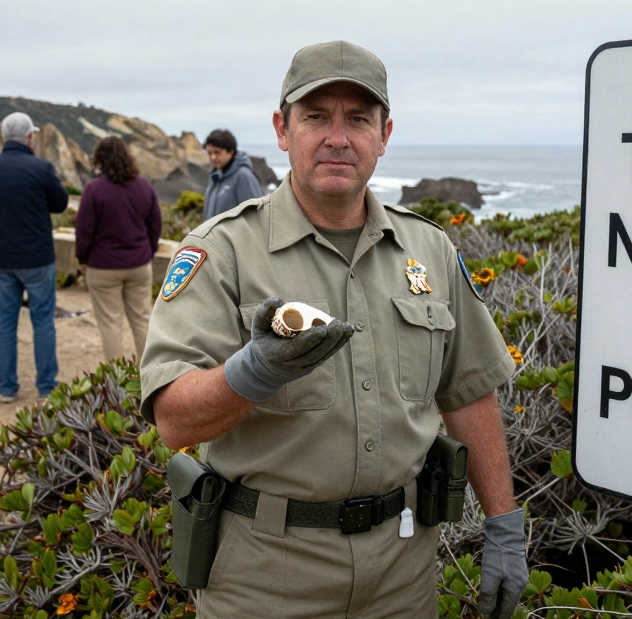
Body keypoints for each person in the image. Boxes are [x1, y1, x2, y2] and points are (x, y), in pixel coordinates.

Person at [141, 41, 529, 618]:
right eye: (316, 117)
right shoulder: (221, 251)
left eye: (358, 119)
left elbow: (468, 389)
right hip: (265, 573)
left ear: (384, 134)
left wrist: (503, 523)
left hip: (404, 571)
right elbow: (173, 420)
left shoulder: (429, 249)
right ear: (282, 128)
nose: (337, 137)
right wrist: (253, 372)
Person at [0, 112, 69, 402]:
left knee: (5, 322)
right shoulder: (40, 167)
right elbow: (60, 203)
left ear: (5, 137)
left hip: (2, 256)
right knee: (42, 321)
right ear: (30, 137)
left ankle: (6, 387)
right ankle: (46, 386)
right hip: (37, 256)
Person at [75, 136, 162, 362]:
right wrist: (147, 251)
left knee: (110, 324)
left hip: (102, 266)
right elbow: (155, 225)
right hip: (139, 264)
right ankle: (150, 377)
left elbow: (84, 231)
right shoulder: (144, 187)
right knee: (143, 319)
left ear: (100, 159)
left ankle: (116, 378)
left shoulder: (94, 189)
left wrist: (82, 259)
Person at [202, 128, 263, 219]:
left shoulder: (244, 176)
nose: (213, 157)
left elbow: (255, 217)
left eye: (217, 152)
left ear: (231, 151)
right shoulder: (215, 177)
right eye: (209, 153)